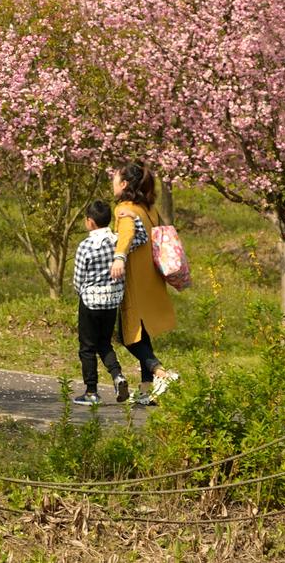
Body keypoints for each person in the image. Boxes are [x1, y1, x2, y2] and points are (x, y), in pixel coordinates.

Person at [108, 163, 179, 406]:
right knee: (143, 334)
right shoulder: (148, 209)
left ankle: (161, 374)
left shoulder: (125, 209)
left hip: (135, 281)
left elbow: (126, 234)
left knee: (128, 336)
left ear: (125, 184)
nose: (113, 182)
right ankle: (146, 390)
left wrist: (118, 257)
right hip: (152, 278)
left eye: (115, 179)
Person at [70, 198, 130, 406]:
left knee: (87, 347)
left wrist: (82, 294)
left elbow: (78, 278)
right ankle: (117, 376)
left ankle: (91, 391)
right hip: (112, 301)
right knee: (104, 343)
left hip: (90, 303)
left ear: (90, 222)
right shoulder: (118, 241)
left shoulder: (86, 246)